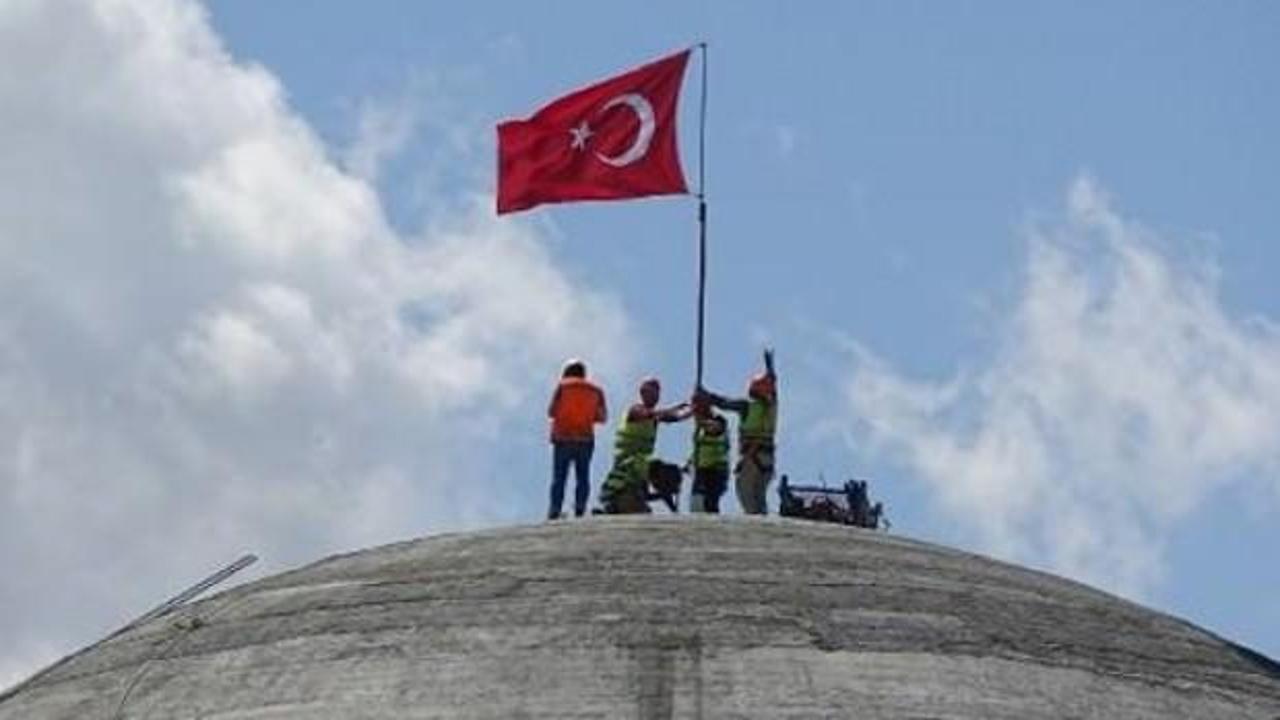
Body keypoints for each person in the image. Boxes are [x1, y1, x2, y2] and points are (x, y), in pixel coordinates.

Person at [698, 348, 778, 515]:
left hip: (751, 457)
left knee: (746, 493)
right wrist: (770, 367)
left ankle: (757, 527)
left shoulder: (747, 406)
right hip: (768, 459)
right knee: (759, 496)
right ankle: (763, 522)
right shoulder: (772, 407)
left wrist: (707, 396)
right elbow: (773, 385)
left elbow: (725, 403)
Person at [599, 376, 692, 514]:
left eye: (656, 393)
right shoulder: (635, 411)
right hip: (625, 469)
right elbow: (648, 414)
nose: (654, 396)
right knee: (659, 472)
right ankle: (614, 506)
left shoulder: (654, 419)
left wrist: (694, 409)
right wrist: (671, 410)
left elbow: (675, 418)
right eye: (650, 392)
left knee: (667, 474)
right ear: (642, 393)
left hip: (638, 470)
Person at [546, 359, 607, 519]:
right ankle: (580, 509)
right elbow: (602, 417)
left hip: (563, 438)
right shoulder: (596, 390)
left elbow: (551, 411)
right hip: (585, 439)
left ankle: (555, 510)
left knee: (559, 478)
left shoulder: (562, 386)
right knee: (583, 477)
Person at [687, 408, 730, 513]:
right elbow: (697, 450)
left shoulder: (722, 438)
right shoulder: (702, 438)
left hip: (717, 471)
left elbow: (717, 428)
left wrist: (705, 421)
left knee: (711, 500)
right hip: (702, 470)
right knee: (697, 498)